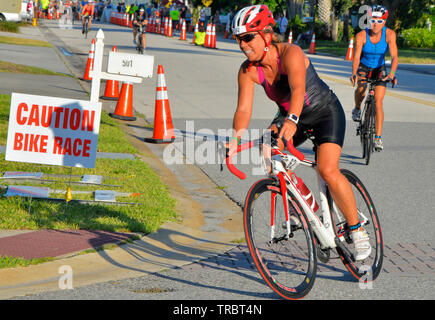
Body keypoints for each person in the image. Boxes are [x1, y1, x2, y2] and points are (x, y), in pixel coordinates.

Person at [228, 5, 371, 261]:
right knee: (269, 153)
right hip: (290, 117)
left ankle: (356, 228)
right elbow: (243, 110)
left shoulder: (290, 53)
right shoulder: (248, 71)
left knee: (327, 169)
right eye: (238, 38)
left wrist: (292, 120)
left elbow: (297, 89)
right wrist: (235, 140)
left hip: (324, 111)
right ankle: (307, 209)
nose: (242, 44)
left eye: (248, 37)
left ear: (267, 35)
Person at [351, 5, 398, 151]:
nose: (375, 24)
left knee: (378, 101)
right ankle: (357, 108)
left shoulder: (390, 34)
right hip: (364, 66)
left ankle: (377, 138)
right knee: (361, 89)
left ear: (384, 22)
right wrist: (354, 73)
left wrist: (392, 73)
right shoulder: (361, 35)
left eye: (379, 21)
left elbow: (395, 57)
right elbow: (357, 57)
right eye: (372, 20)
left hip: (380, 68)